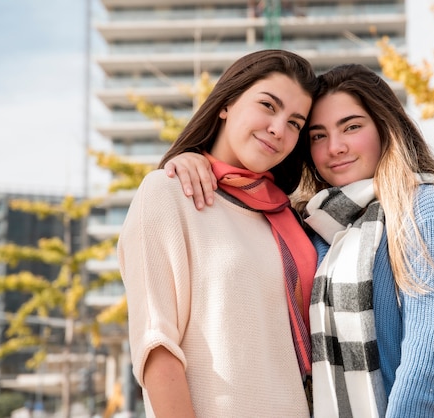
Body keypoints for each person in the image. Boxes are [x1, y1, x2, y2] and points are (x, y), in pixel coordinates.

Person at [166, 64, 434, 417]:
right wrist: (197, 160)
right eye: (318, 135)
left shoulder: (430, 210)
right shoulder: (317, 227)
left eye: (351, 127)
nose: (334, 148)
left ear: (385, 129)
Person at [117, 49, 319, 417]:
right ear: (226, 102)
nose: (279, 129)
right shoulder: (168, 192)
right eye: (268, 106)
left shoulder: (285, 216)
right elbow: (156, 347)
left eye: (295, 123)